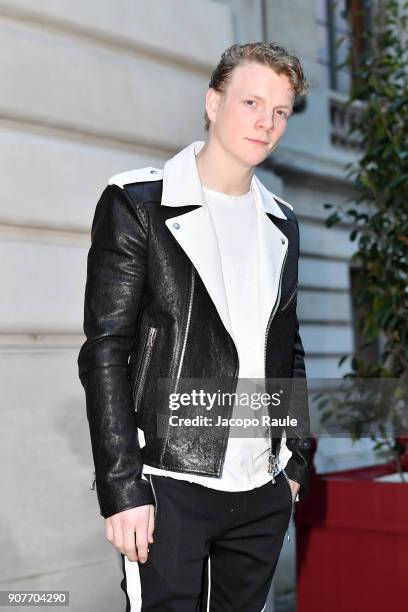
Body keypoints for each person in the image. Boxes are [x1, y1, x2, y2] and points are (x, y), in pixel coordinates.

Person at [78, 41, 312, 612]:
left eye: (280, 110)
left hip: (261, 490)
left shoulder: (281, 221)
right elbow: (105, 351)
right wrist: (122, 487)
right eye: (251, 102)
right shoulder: (138, 203)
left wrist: (296, 461)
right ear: (213, 101)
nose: (266, 122)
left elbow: (289, 347)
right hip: (167, 482)